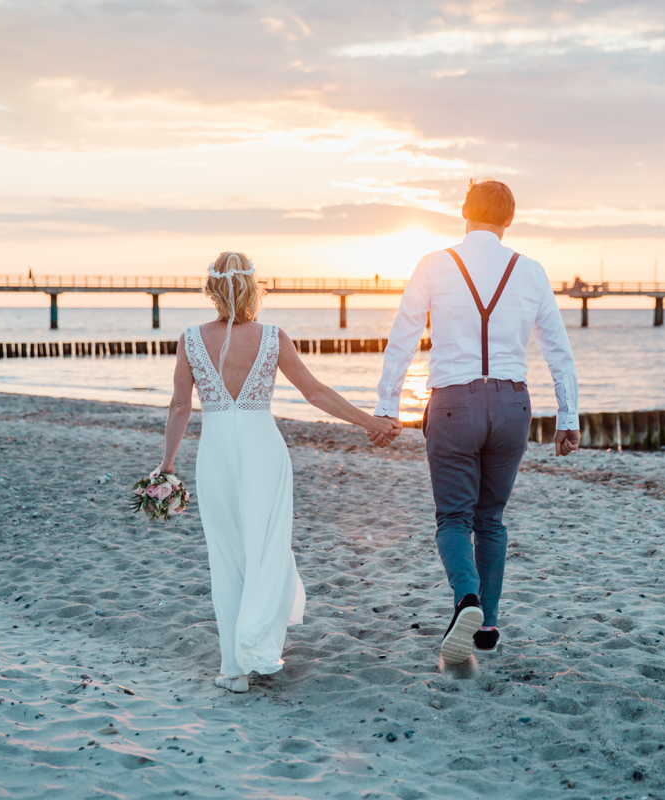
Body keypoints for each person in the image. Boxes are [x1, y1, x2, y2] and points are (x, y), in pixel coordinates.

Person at [157, 251, 399, 694]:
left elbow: (179, 406)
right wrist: (370, 423)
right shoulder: (273, 337)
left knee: (227, 556)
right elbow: (315, 392)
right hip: (263, 450)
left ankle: (234, 669)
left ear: (212, 288)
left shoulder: (191, 339)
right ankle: (258, 648)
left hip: (214, 455)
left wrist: (167, 466)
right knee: (266, 549)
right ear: (254, 287)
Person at [372, 179, 580, 665]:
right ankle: (486, 625)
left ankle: (466, 598)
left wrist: (387, 405)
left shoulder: (434, 264)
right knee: (491, 519)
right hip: (512, 407)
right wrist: (567, 417)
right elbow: (558, 351)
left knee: (454, 517)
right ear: (510, 220)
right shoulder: (530, 271)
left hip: (452, 404)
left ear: (464, 212)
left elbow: (402, 336)